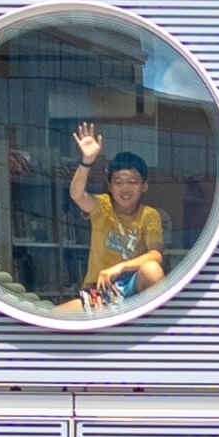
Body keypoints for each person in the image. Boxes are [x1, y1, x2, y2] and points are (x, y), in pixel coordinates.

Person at [55, 123, 165, 315]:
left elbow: (156, 255)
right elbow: (77, 195)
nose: (125, 189)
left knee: (152, 269)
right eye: (118, 182)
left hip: (132, 287)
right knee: (53, 318)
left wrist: (119, 268)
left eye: (132, 182)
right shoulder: (103, 206)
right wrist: (87, 161)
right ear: (110, 186)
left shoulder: (149, 215)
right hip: (101, 291)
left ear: (144, 186)